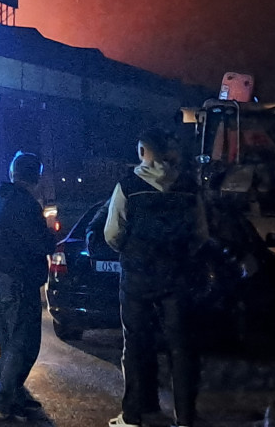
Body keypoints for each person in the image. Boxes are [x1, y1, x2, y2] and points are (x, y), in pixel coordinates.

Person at [105, 129, 207, 427]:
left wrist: (130, 250)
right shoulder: (189, 187)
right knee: (182, 346)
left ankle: (133, 415)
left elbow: (112, 232)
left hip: (137, 276)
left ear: (141, 152)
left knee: (135, 344)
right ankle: (186, 417)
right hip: (176, 277)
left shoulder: (128, 186)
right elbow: (201, 233)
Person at [0, 151, 52, 421]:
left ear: (13, 173)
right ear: (35, 176)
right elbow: (41, 243)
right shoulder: (26, 204)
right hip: (18, 281)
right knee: (24, 343)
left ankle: (15, 394)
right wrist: (50, 236)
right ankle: (6, 401)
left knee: (8, 341)